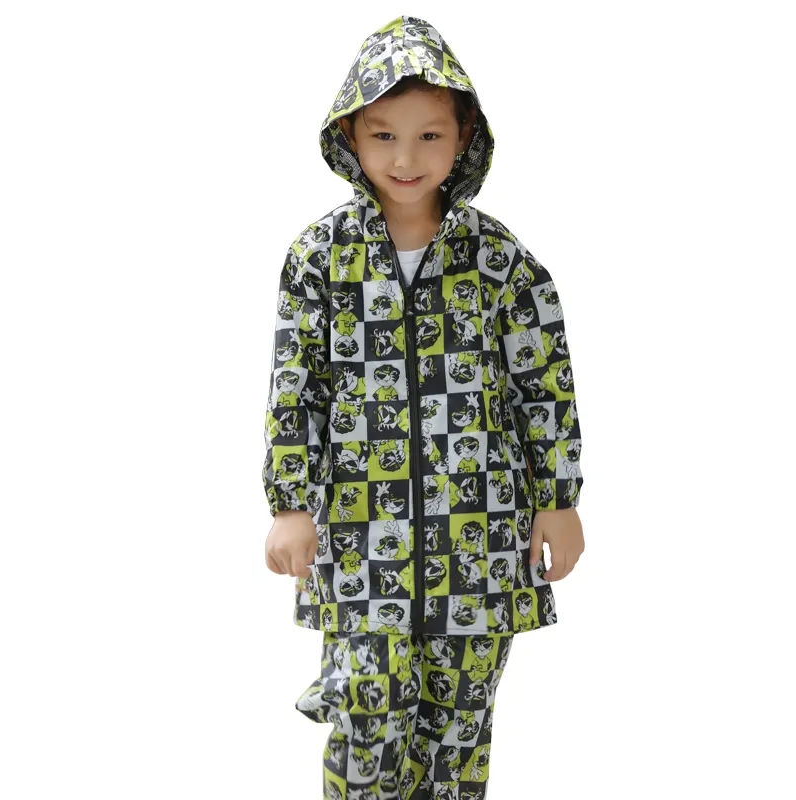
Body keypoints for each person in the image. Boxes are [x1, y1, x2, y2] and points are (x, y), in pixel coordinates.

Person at [262, 15, 585, 800]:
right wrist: (290, 504)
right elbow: (295, 387)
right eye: (384, 136)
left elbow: (543, 381)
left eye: (429, 136)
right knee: (367, 712)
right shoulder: (319, 258)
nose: (405, 160)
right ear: (349, 135)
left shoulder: (499, 260)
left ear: (465, 137)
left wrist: (558, 499)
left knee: (460, 722)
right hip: (359, 540)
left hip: (479, 534)